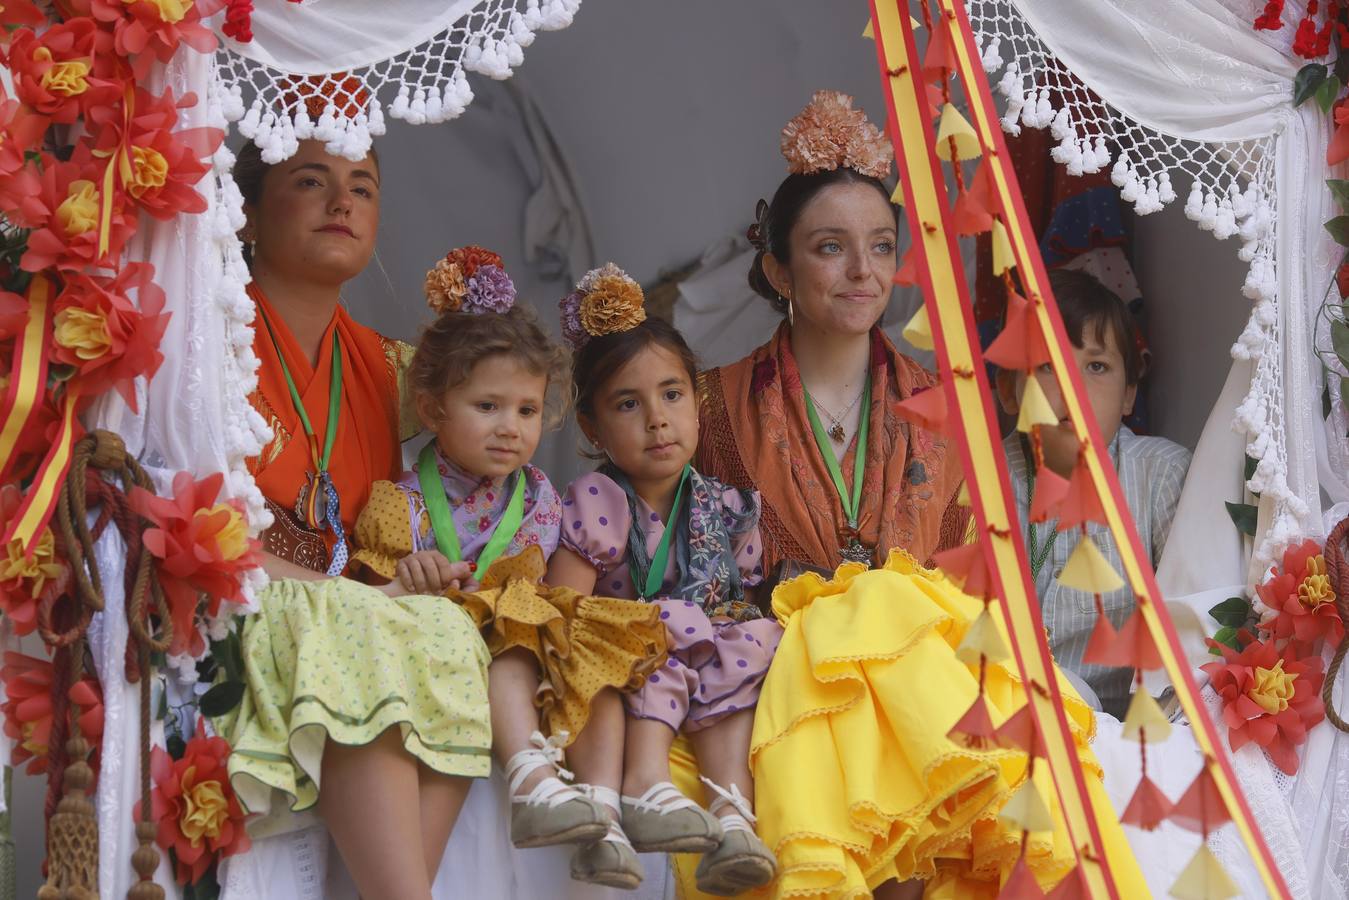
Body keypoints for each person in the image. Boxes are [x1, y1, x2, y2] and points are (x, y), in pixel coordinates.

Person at [694, 91, 1149, 898]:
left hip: (919, 691)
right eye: (830, 248)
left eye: (879, 246)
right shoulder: (704, 406)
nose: (863, 272)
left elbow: (968, 579)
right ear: (776, 269)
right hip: (779, 687)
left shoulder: (948, 407)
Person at [216, 138, 492, 900]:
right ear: (244, 210)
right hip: (239, 597)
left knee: (452, 630)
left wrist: (422, 572)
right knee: (354, 621)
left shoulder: (394, 367)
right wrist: (341, 591)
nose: (343, 203)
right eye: (312, 181)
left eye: (362, 188)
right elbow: (190, 519)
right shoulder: (202, 338)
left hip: (350, 606)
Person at [348, 247, 667, 890]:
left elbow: (531, 583)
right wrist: (411, 573)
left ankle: (590, 804)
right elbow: (371, 581)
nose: (510, 429)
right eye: (488, 406)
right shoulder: (399, 499)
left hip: (515, 632)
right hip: (444, 643)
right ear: (435, 409)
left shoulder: (542, 495)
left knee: (573, 644)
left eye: (525, 411)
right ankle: (529, 775)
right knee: (510, 630)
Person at [546, 264, 782, 896]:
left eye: (672, 394)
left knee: (752, 638)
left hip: (705, 658)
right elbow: (567, 614)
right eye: (629, 403)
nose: (657, 419)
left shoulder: (727, 506)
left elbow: (743, 596)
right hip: (627, 663)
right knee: (660, 637)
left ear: (698, 402)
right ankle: (644, 786)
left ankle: (732, 814)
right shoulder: (598, 498)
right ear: (592, 428)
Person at [995, 267, 1191, 718]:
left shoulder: (1162, 479)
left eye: (1096, 367)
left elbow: (1192, 645)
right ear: (1010, 392)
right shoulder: (975, 483)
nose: (1072, 386)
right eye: (1047, 365)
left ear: (1128, 396)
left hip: (1117, 740)